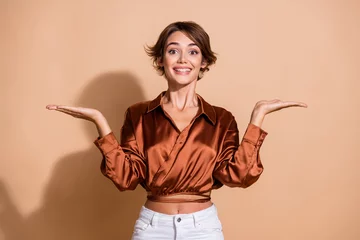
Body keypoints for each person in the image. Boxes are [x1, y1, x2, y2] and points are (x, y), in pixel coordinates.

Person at [46, 21, 307, 240]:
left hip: (203, 228)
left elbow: (238, 176)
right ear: (160, 60)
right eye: (173, 51)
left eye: (193, 52)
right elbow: (126, 178)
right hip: (152, 228)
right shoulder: (138, 115)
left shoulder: (222, 119)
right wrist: (101, 124)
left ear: (204, 62)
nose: (183, 59)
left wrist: (257, 120)